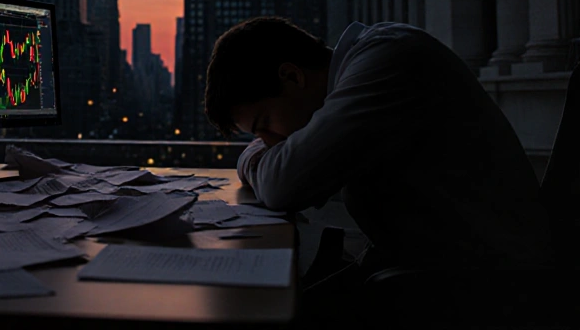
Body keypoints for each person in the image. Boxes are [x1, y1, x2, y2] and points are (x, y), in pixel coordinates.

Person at [204, 17, 551, 318]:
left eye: (265, 123)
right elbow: (271, 161)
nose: (267, 140)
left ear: (292, 76)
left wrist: (255, 160)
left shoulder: (387, 62)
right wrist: (258, 155)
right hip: (429, 272)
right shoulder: (370, 62)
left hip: (482, 290)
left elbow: (284, 184)